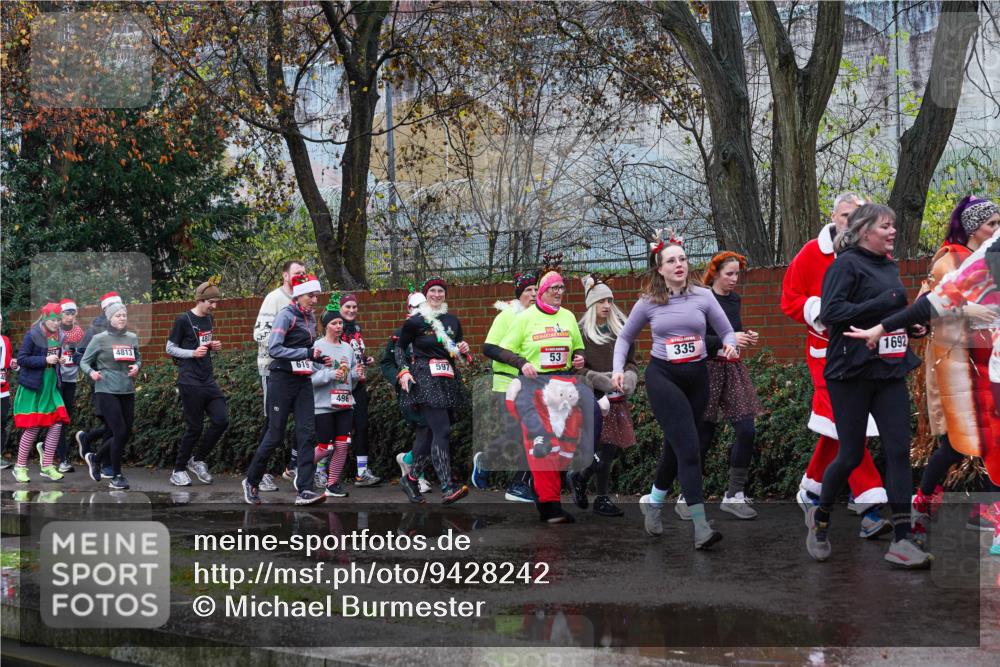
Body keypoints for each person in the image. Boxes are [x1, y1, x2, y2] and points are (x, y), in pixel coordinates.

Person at [846, 225, 1000, 555]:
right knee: (961, 444)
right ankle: (928, 500)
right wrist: (883, 327)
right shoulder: (975, 259)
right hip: (967, 365)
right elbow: (931, 303)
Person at [805, 203, 931, 568]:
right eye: (885, 226)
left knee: (897, 451)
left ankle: (903, 540)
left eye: (893, 225)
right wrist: (884, 302)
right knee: (850, 455)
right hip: (851, 374)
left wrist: (910, 327)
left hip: (889, 370)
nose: (893, 231)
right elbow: (831, 314)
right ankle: (821, 517)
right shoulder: (846, 265)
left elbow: (889, 315)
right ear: (863, 232)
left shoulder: (889, 265)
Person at [612, 231, 737, 549]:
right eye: (671, 260)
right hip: (663, 376)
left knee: (675, 445)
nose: (679, 264)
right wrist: (617, 370)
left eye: (682, 258)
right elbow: (625, 338)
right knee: (690, 450)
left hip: (698, 377)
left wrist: (731, 346)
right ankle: (700, 527)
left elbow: (725, 331)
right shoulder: (648, 301)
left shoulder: (703, 295)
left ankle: (653, 504)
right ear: (660, 269)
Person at [780, 192, 891, 539]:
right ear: (833, 217)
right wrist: (818, 311)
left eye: (857, 216)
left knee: (837, 429)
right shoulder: (811, 254)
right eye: (845, 216)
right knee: (847, 427)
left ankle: (811, 490)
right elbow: (789, 299)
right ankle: (870, 507)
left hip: (863, 352)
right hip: (826, 356)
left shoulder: (874, 253)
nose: (850, 222)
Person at [907, 197, 1000, 531]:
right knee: (959, 442)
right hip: (960, 363)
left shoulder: (990, 257)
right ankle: (924, 499)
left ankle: (985, 512)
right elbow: (925, 309)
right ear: (973, 229)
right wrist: (967, 311)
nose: (996, 230)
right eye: (991, 224)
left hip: (989, 359)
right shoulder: (950, 260)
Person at [495, 267, 590, 523]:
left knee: (566, 445)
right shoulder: (525, 318)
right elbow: (502, 350)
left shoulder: (568, 316)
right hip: (534, 387)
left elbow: (578, 349)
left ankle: (545, 497)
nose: (559, 293)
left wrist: (580, 358)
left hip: (564, 387)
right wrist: (521, 362)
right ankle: (550, 508)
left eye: (561, 288)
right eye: (553, 289)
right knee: (543, 447)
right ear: (542, 292)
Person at [242, 273, 326, 506]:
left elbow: (308, 350)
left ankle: (305, 489)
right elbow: (274, 349)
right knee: (275, 434)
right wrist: (306, 354)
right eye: (311, 295)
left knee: (307, 434)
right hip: (280, 379)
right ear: (299, 295)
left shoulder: (310, 318)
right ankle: (251, 480)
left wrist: (320, 360)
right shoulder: (285, 316)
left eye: (316, 295)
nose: (314, 300)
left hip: (302, 380)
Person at [698, 252, 765, 519]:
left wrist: (745, 336)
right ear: (715, 273)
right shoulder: (703, 299)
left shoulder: (735, 300)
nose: (734, 279)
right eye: (729, 274)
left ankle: (734, 495)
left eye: (737, 274)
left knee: (747, 430)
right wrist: (729, 339)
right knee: (703, 436)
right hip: (707, 370)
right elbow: (697, 338)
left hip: (733, 370)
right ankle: (687, 495)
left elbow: (732, 331)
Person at [567, 275, 638, 518]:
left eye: (609, 300)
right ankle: (601, 496)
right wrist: (600, 380)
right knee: (605, 449)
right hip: (596, 400)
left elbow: (631, 362)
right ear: (591, 305)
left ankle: (580, 477)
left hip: (618, 398)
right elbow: (577, 369)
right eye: (601, 301)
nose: (607, 305)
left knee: (615, 448)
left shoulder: (621, 330)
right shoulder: (580, 333)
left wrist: (629, 377)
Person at [395, 276, 471, 505]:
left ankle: (410, 478)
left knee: (431, 434)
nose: (437, 295)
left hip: (447, 379)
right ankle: (447, 486)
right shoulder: (415, 322)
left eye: (441, 291)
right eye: (432, 292)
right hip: (424, 377)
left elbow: (455, 351)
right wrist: (404, 371)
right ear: (426, 295)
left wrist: (463, 350)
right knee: (443, 430)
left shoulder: (452, 321)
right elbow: (399, 348)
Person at [473, 271, 539, 502]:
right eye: (528, 290)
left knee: (528, 434)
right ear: (519, 294)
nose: (533, 294)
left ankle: (522, 484)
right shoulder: (507, 315)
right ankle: (487, 462)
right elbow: (488, 348)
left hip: (532, 384)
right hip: (506, 382)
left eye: (535, 290)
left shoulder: (539, 318)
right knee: (514, 433)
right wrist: (517, 362)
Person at [165, 281, 229, 486]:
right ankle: (178, 470)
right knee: (195, 427)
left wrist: (212, 345)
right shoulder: (183, 319)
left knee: (221, 420)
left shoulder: (209, 319)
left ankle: (198, 459)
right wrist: (192, 353)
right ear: (200, 300)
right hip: (189, 380)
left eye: (216, 302)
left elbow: (203, 343)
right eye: (211, 302)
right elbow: (170, 348)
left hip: (207, 379)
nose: (214, 306)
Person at [252, 260, 305, 491]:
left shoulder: (305, 300)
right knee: (273, 423)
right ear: (285, 275)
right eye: (296, 273)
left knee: (303, 422)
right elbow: (260, 332)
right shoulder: (274, 298)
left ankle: (295, 467)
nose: (300, 276)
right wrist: (284, 347)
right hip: (273, 368)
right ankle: (260, 473)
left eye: (304, 273)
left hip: (298, 371)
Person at [80, 299, 141, 490]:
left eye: (124, 315)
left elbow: (138, 357)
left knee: (125, 433)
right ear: (110, 318)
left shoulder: (132, 337)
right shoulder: (100, 339)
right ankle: (117, 475)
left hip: (127, 389)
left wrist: (137, 367)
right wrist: (92, 373)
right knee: (119, 432)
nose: (122, 318)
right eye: (118, 315)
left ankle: (96, 459)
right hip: (106, 389)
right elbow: (84, 362)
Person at [11, 303, 71, 483]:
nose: (56, 323)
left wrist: (59, 360)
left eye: (59, 320)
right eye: (53, 319)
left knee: (57, 424)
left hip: (51, 387)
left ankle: (47, 465)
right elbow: (22, 359)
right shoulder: (32, 335)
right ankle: (19, 467)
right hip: (34, 388)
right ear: (44, 319)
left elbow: (55, 358)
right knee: (33, 427)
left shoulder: (60, 336)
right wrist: (45, 359)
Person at [311, 298, 362, 498]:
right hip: (323, 405)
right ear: (326, 326)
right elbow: (309, 379)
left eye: (340, 323)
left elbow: (352, 380)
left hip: (345, 404)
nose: (339, 326)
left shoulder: (348, 348)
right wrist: (331, 375)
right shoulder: (317, 347)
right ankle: (302, 469)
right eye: (334, 323)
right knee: (324, 447)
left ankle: (332, 484)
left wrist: (356, 374)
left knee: (342, 444)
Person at [383, 291, 433, 494]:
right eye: (416, 307)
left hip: (434, 389)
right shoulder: (399, 334)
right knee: (424, 428)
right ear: (409, 310)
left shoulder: (433, 332)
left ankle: (408, 460)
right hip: (410, 391)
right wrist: (400, 376)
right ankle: (417, 476)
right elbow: (386, 362)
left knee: (434, 430)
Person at [75, 291, 121, 477]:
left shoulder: (121, 328)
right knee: (114, 425)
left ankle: (87, 439)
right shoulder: (95, 329)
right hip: (102, 384)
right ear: (106, 309)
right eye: (115, 306)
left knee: (116, 425)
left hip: (119, 383)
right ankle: (105, 463)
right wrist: (93, 371)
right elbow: (79, 355)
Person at [338, 293, 381, 487]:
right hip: (340, 386)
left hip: (359, 384)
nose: (351, 310)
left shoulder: (357, 329)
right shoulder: (336, 329)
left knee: (362, 426)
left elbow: (356, 355)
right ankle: (321, 471)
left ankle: (361, 472)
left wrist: (365, 360)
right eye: (347, 306)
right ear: (340, 309)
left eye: (354, 307)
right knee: (336, 430)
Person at [50, 299, 84, 473]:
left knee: (66, 417)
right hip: (56, 379)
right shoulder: (55, 330)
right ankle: (62, 458)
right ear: (60, 315)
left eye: (72, 313)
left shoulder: (79, 332)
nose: (70, 317)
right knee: (58, 417)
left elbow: (83, 353)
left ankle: (48, 448)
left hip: (71, 378)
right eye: (66, 313)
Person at [0, 313, 16, 470]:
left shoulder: (5, 340)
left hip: (2, 389)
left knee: (2, 421)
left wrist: (14, 364)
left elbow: (9, 360)